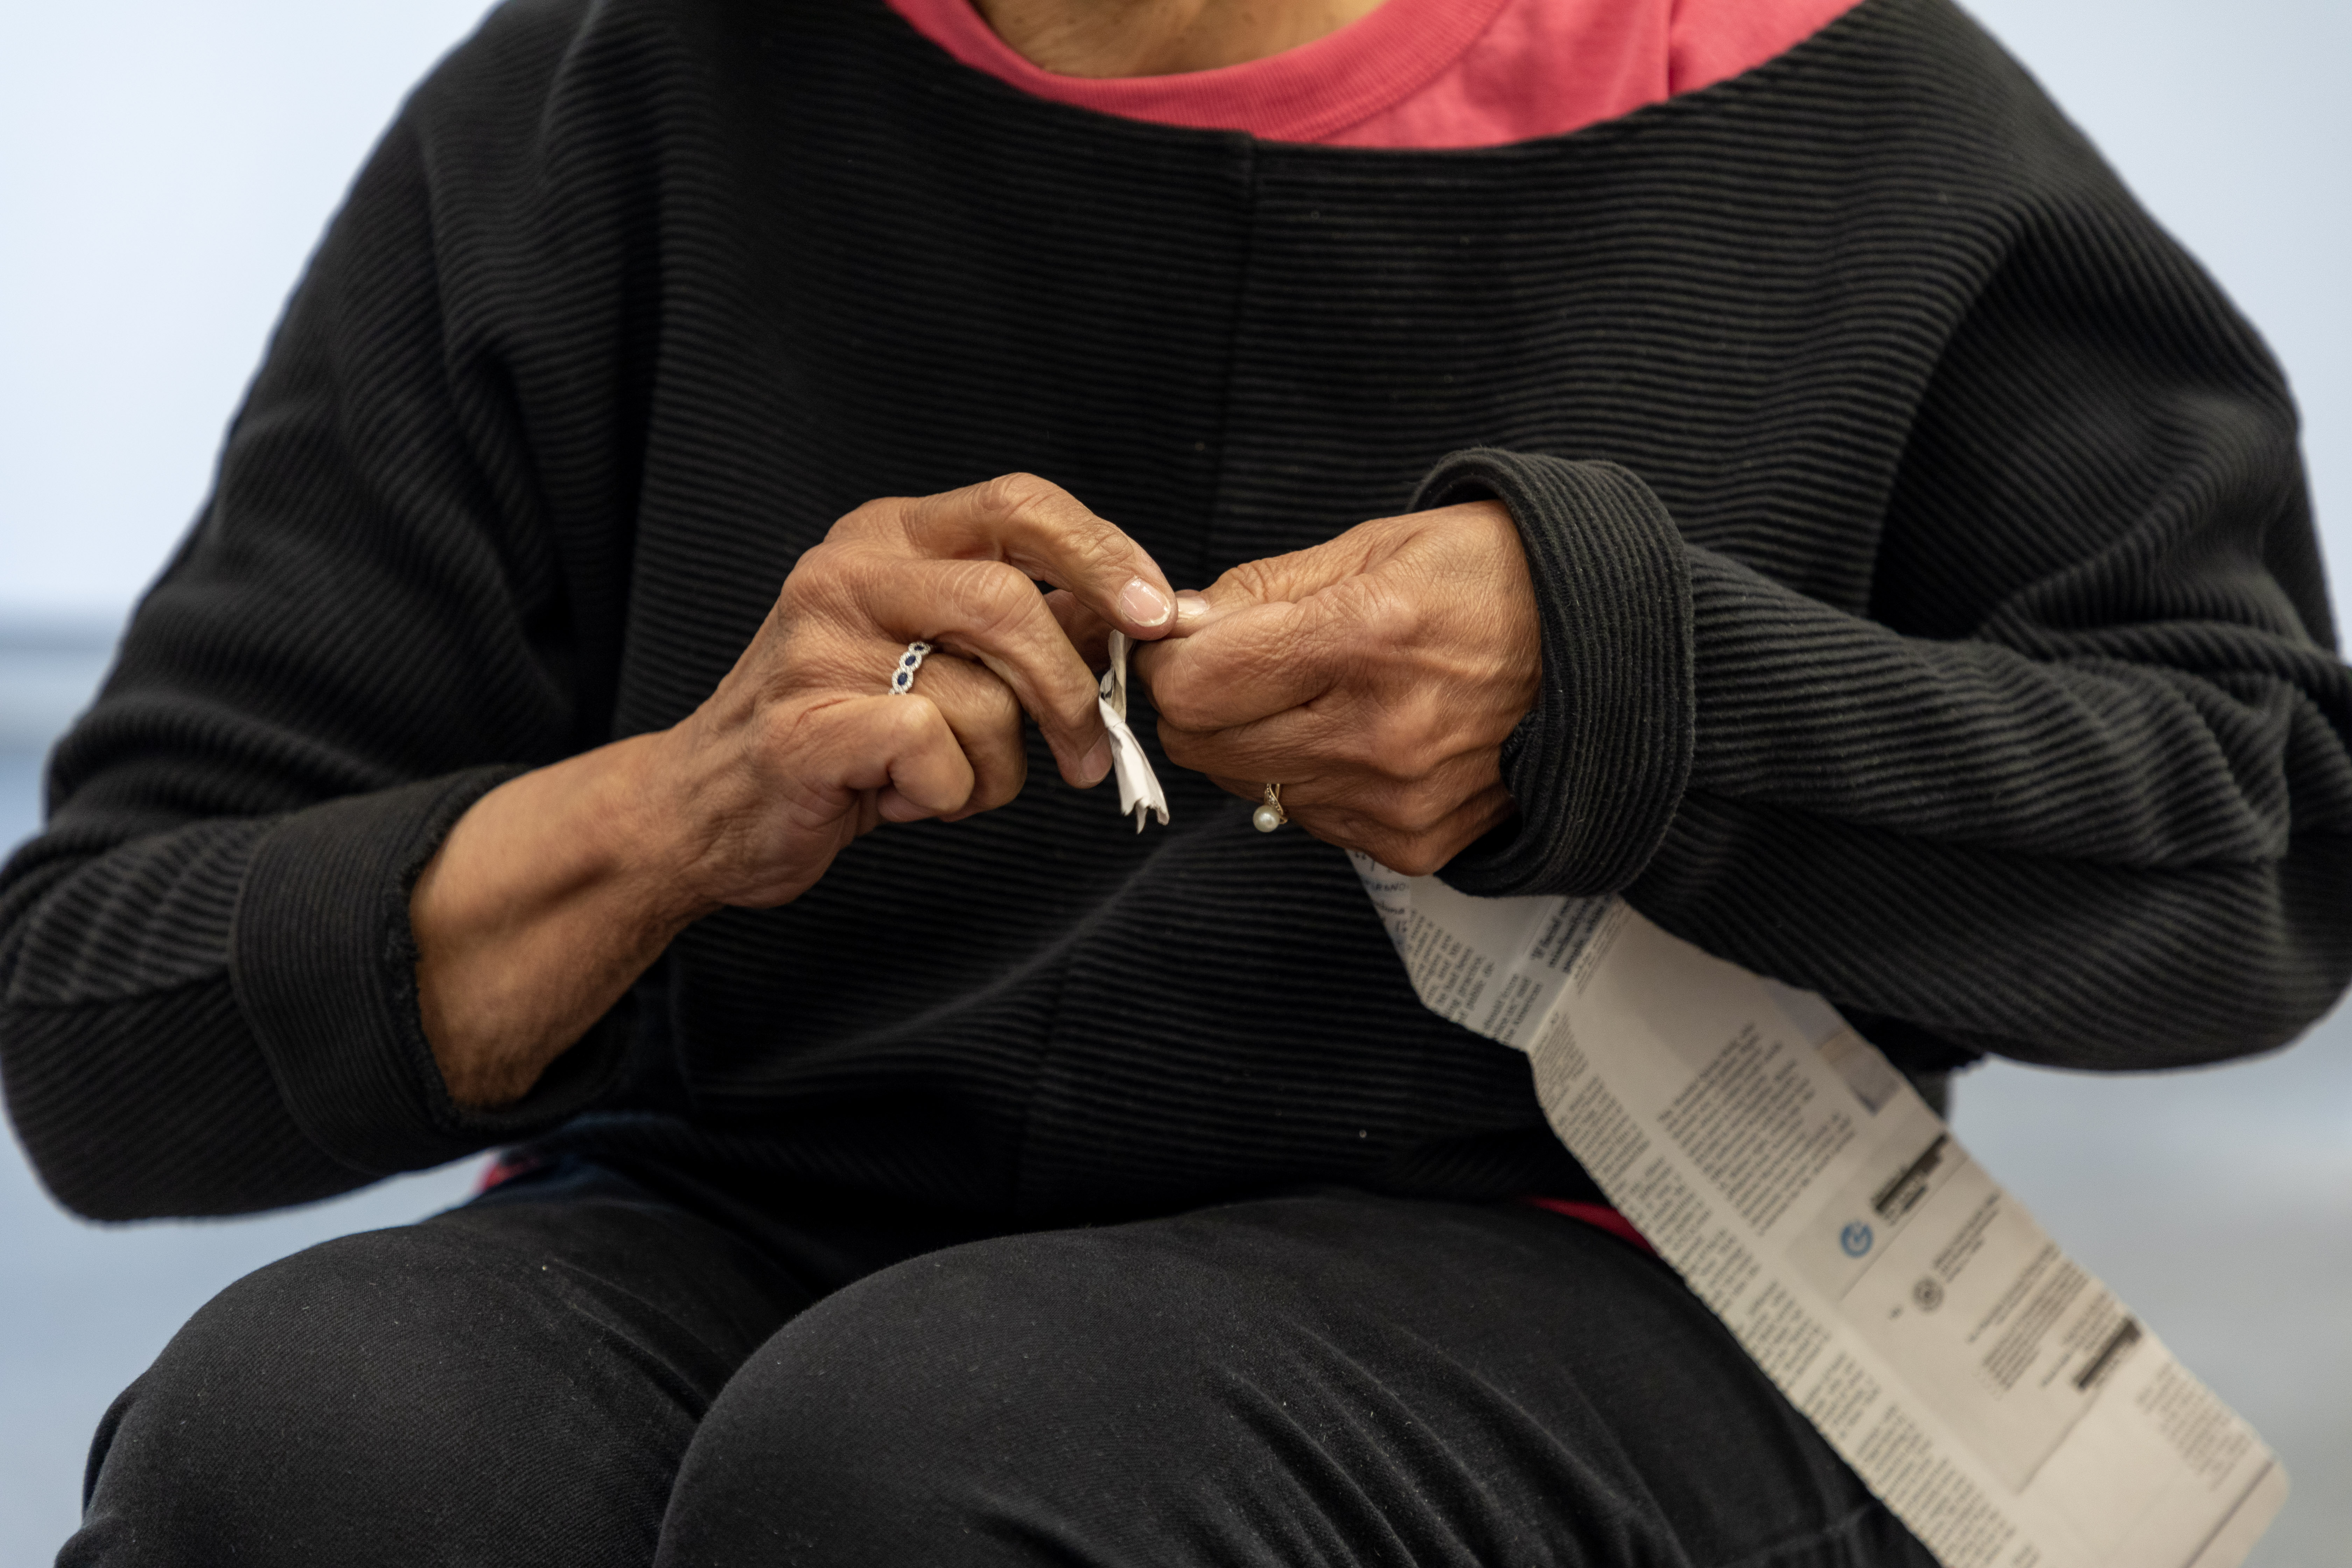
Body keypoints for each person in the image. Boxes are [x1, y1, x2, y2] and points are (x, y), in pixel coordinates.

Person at [4, 0, 2347, 1559]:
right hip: (736, 1216)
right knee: (306, 1455)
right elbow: (96, 1023)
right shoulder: (609, 103)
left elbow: (2270, 841)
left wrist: (1639, 699)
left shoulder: (1839, 114)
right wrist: (682, 806)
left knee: (945, 1459)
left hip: (1588, 1272)